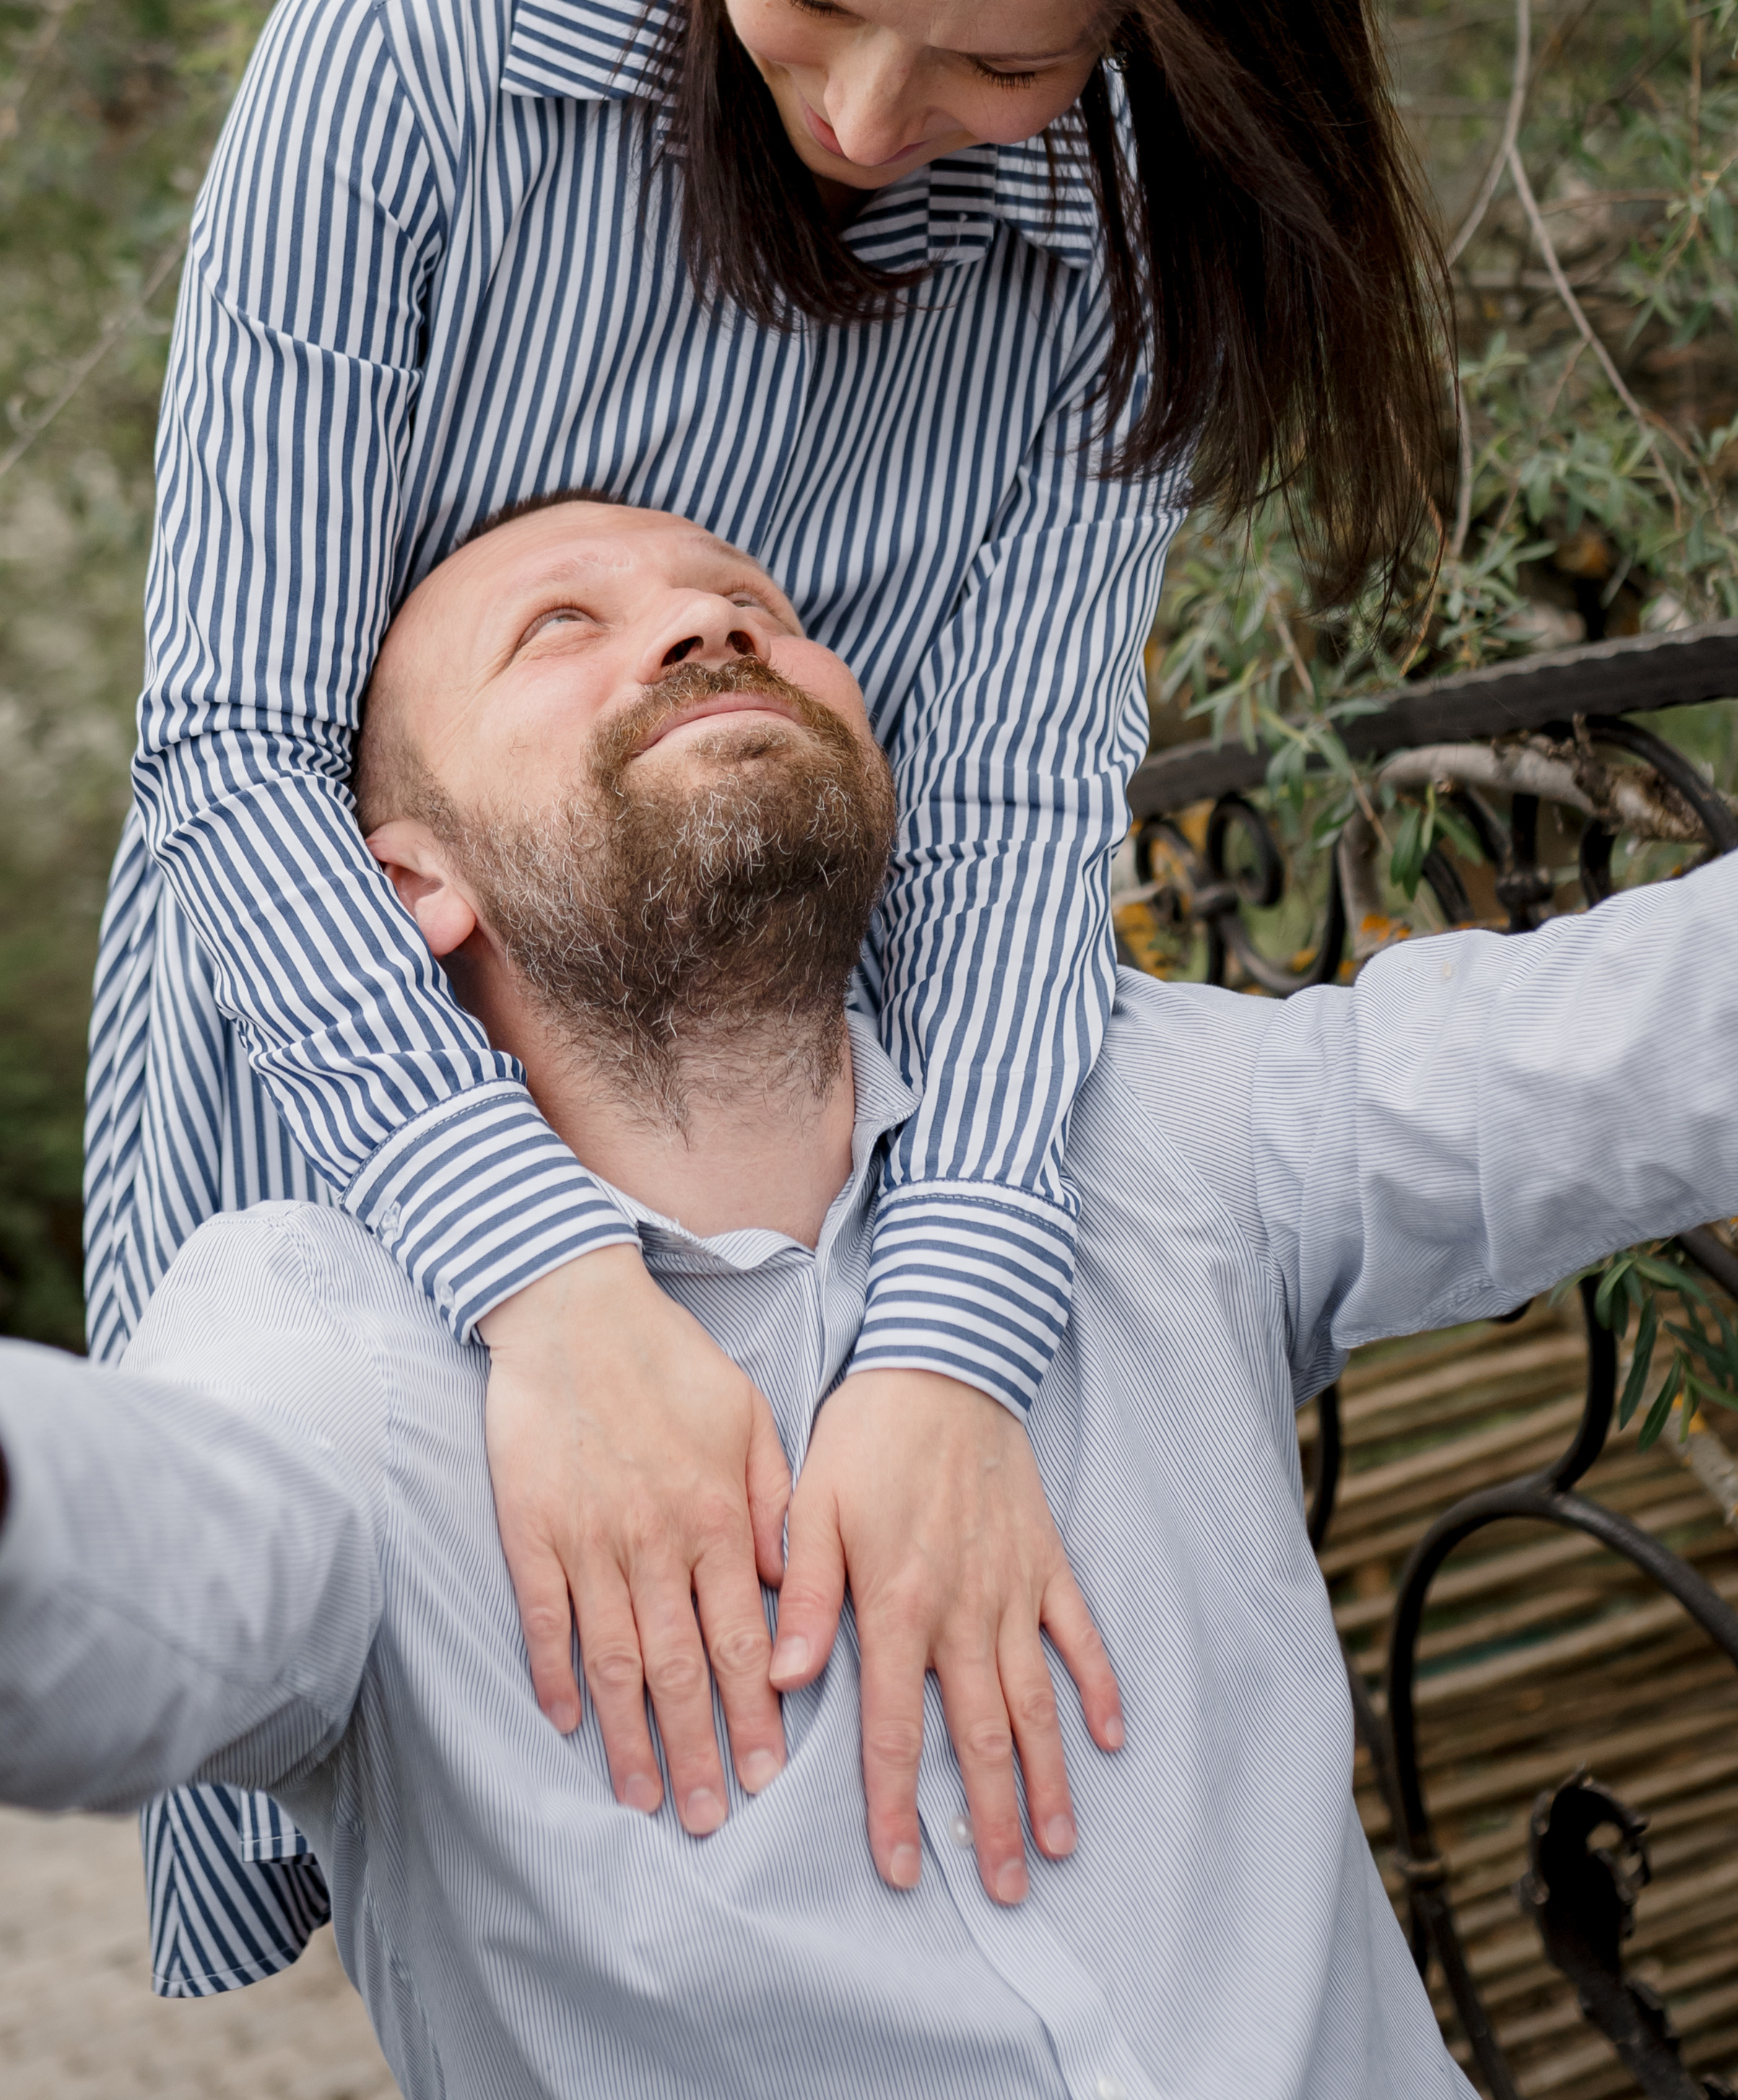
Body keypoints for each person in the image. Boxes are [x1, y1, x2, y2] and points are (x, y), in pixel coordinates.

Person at [83, 0, 1448, 1989]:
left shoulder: (1107, 250)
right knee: (527, 1885)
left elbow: (1023, 819)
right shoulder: (408, 62)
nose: (860, 112)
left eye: (1005, 58)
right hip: (362, 1111)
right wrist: (541, 1283)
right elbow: (236, 749)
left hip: (833, 1140)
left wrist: (944, 1335)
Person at [18, 492, 1738, 2100]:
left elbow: (1627, 1042)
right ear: (411, 888)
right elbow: (153, 1558)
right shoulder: (335, 1345)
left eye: (749, 607)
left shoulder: (1141, 1119)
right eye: (559, 628)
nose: (705, 632)